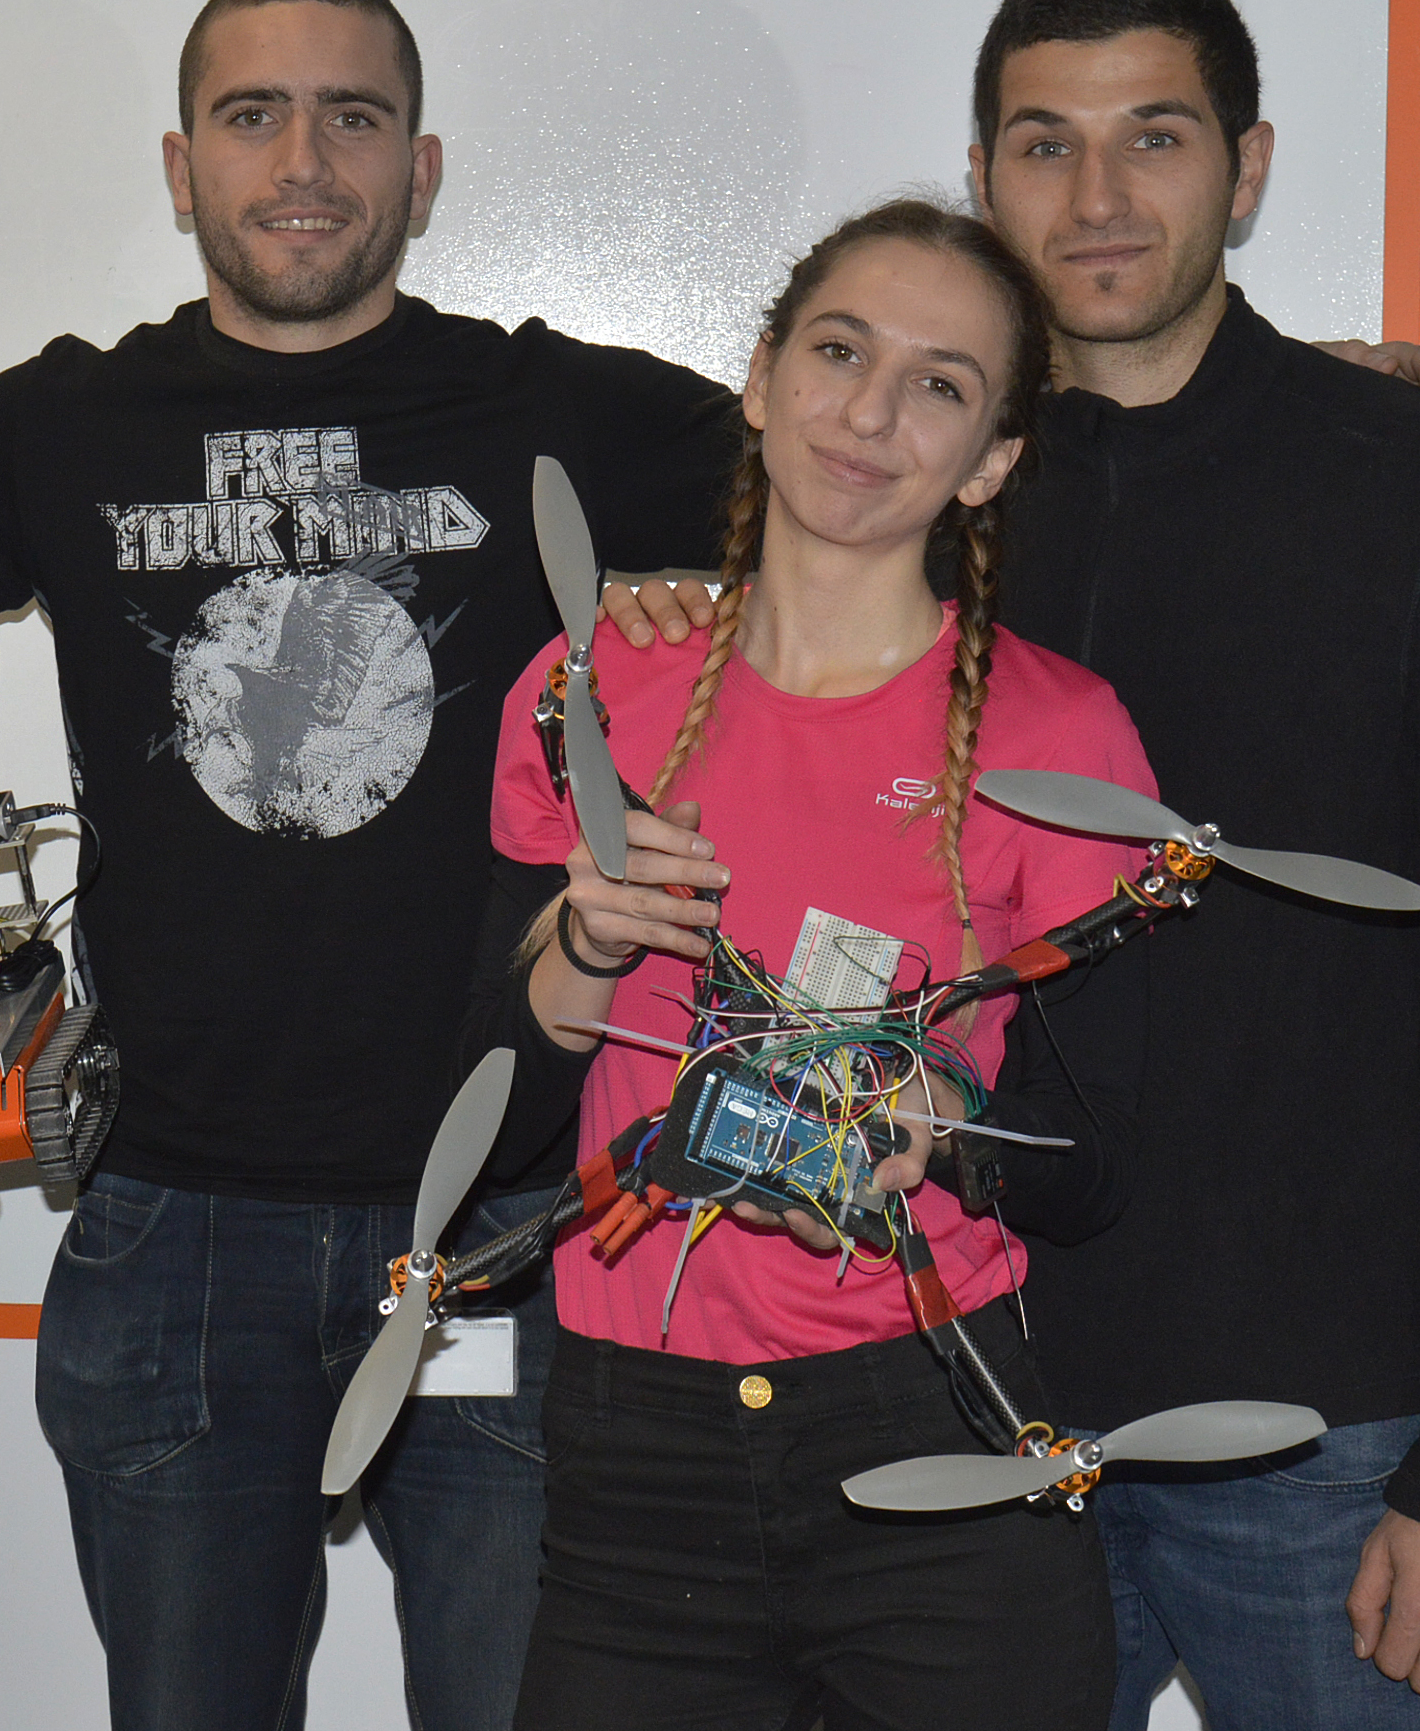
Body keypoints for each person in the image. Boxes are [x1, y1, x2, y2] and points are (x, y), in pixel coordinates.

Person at [0, 0, 1420, 1730]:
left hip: (515, 1243)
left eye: (352, 116)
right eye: (252, 114)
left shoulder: (571, 409)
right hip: (173, 1241)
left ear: (423, 167)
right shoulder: (64, 421)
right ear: (180, 165)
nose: (302, 159)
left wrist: (1314, 393)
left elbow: (921, 432)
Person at [612, 0, 1420, 1728]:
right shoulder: (907, 482)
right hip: (950, 1410)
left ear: (1249, 166)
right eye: (1043, 144)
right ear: (983, 171)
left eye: (1154, 137)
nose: (1096, 197)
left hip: (1323, 1436)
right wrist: (669, 596)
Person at [475, 199, 1156, 1730]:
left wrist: (943, 1133)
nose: (869, 413)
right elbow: (491, 1119)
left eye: (939, 384)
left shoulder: (1058, 736)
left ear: (989, 460)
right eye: (840, 352)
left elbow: (1097, 1163)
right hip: (632, 1455)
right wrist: (583, 944)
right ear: (764, 374)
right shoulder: (594, 690)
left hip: (938, 1440)